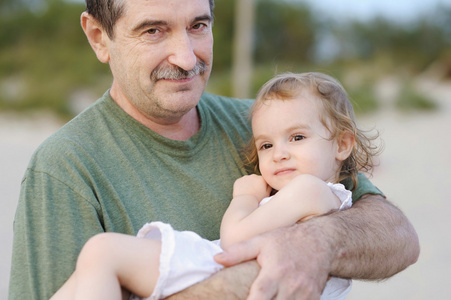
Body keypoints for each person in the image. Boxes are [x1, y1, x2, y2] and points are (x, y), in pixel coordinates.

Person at [9, 0, 419, 299]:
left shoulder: (265, 126)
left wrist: (319, 243)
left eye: (198, 26)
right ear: (100, 37)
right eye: (153, 30)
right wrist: (251, 277)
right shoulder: (64, 168)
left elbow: (397, 234)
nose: (186, 58)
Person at [51, 72, 379, 300]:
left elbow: (235, 238)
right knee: (92, 272)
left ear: (342, 145)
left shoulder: (310, 189)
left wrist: (245, 198)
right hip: (222, 270)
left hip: (216, 267)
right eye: (266, 145)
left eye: (297, 137)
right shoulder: (317, 197)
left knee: (102, 252)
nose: (279, 154)